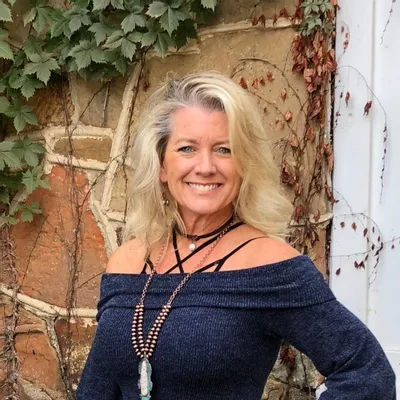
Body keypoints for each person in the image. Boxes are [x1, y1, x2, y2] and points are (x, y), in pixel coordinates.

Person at [77, 72, 396, 399]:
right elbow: (97, 388)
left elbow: (367, 373)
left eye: (224, 150)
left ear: (244, 164)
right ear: (161, 165)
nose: (205, 166)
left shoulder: (271, 267)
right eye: (187, 148)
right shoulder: (127, 261)